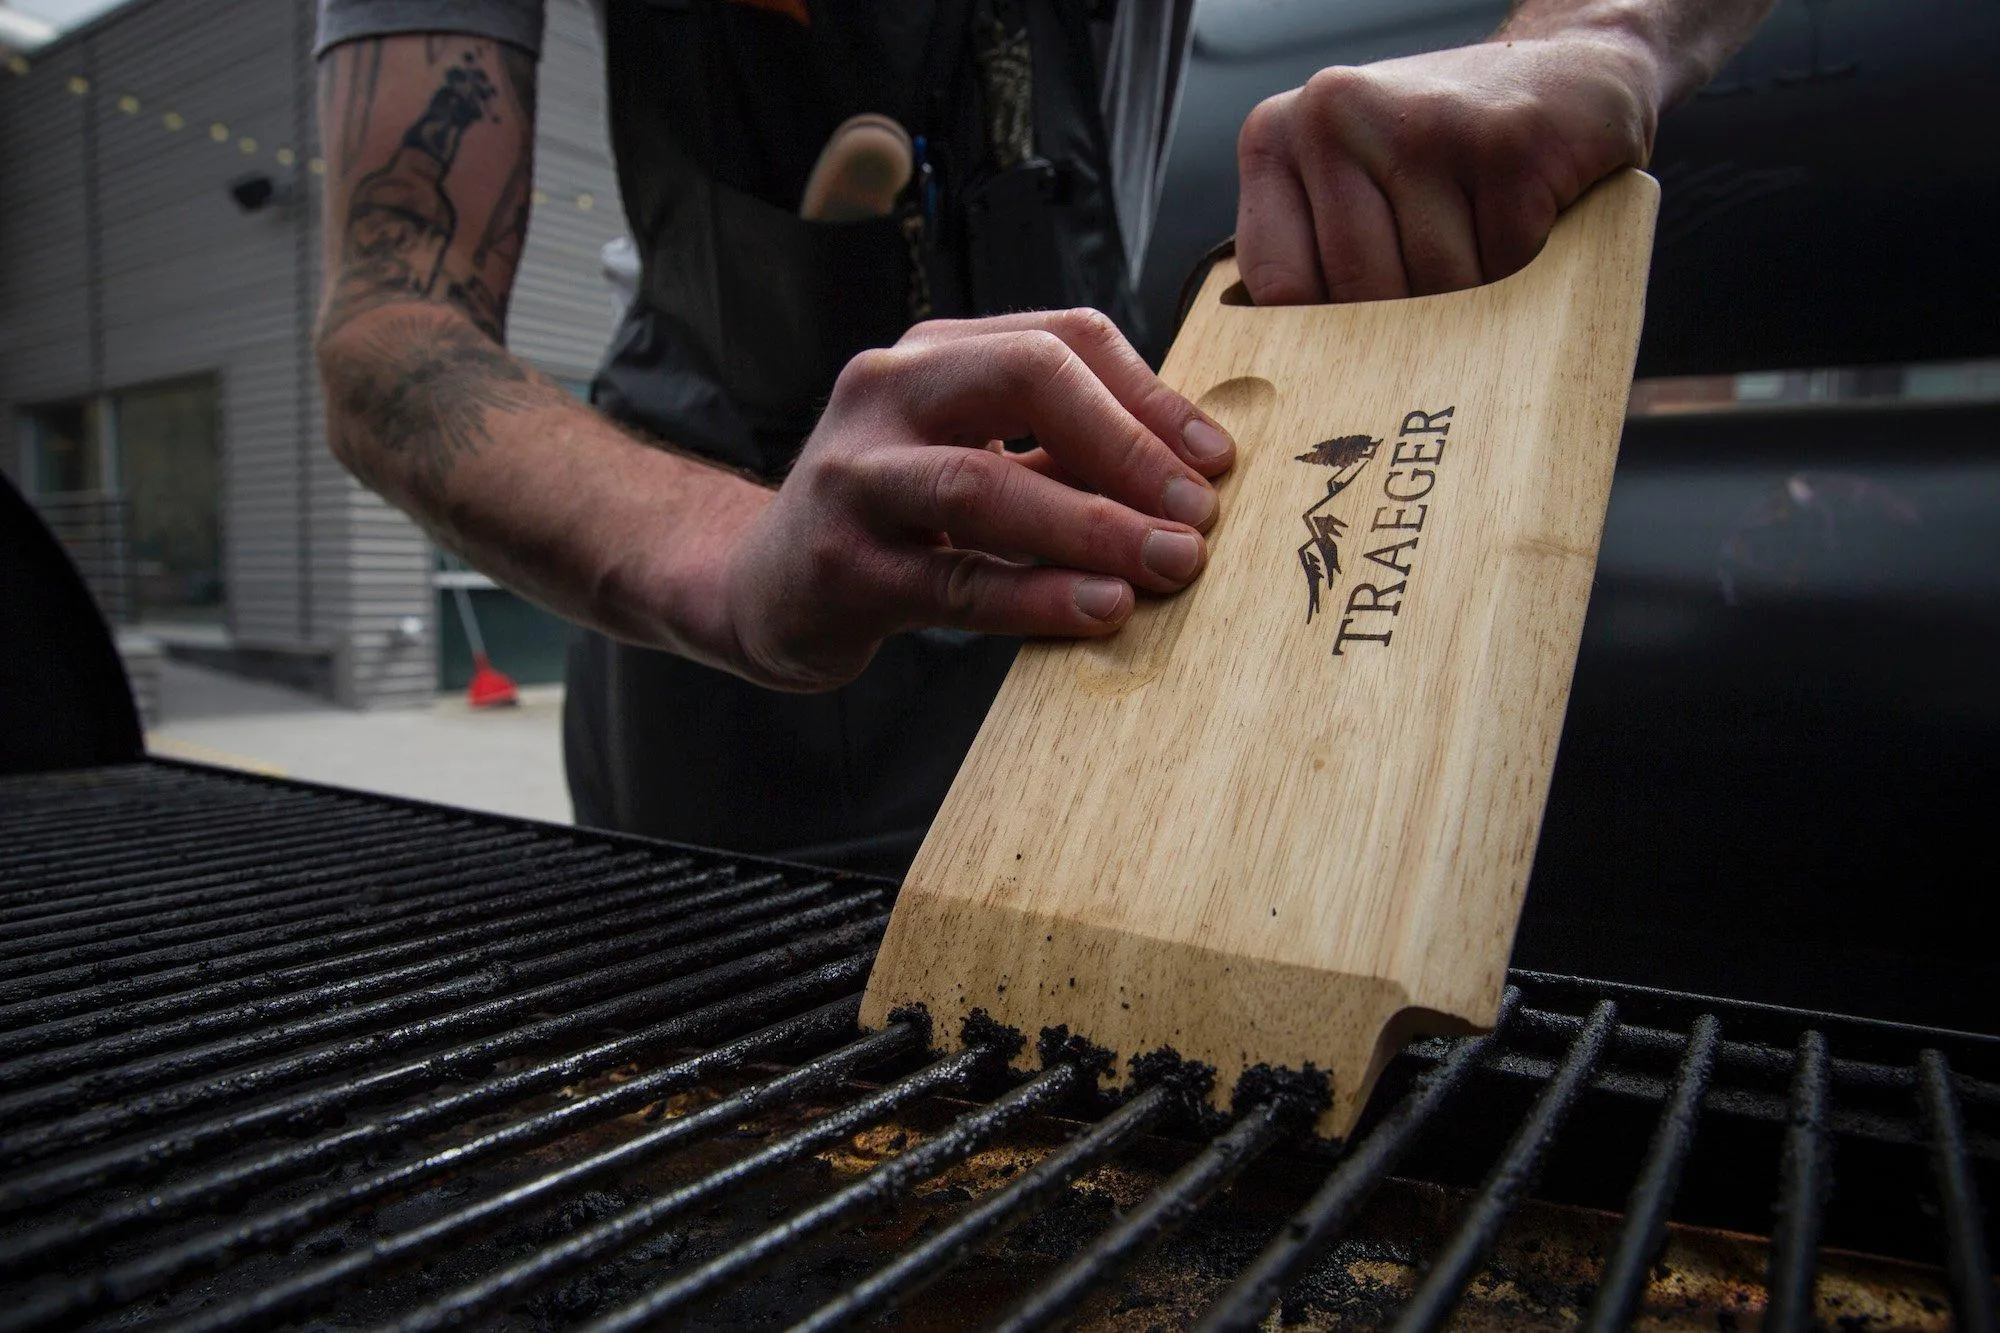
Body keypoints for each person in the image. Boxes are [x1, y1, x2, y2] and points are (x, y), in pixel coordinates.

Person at [313, 0, 1771, 872]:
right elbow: (388, 331)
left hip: (1098, 576)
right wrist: (728, 553)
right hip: (703, 631)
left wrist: (1594, 37)